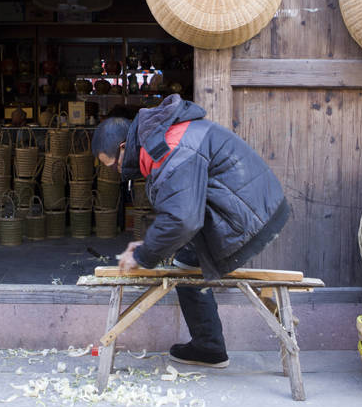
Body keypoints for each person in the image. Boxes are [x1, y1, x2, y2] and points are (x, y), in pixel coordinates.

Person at [92, 94, 290, 368]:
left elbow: (183, 219)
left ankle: (208, 347)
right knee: (184, 257)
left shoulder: (168, 146)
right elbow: (182, 208)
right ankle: (209, 347)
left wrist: (143, 255)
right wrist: (147, 246)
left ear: (124, 147)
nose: (116, 172)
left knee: (185, 262)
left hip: (251, 215)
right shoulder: (161, 136)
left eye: (112, 165)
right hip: (250, 206)